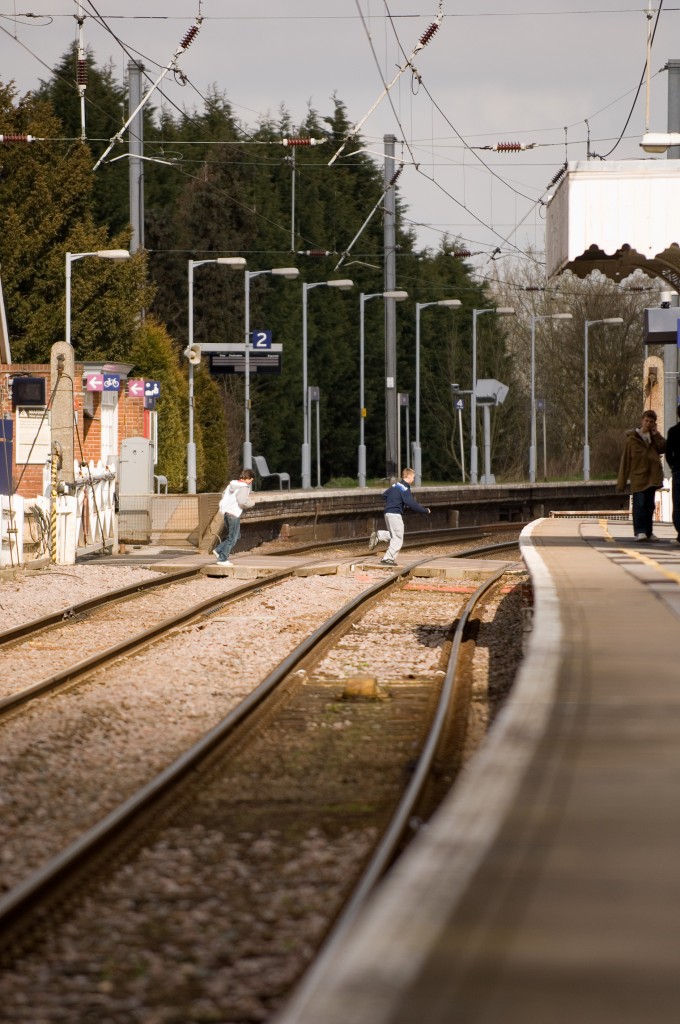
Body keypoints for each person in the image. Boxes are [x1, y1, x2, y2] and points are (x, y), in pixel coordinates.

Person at [616, 408, 666, 541]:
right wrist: (621, 483)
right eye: (647, 420)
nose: (648, 423)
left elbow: (663, 448)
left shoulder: (654, 437)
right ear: (642, 421)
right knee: (640, 504)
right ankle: (640, 531)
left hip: (652, 476)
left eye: (651, 421)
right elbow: (625, 461)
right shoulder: (631, 439)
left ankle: (649, 532)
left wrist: (656, 434)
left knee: (650, 505)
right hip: (639, 477)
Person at [368, 467, 431, 566]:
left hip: (387, 513)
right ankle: (388, 558)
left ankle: (379, 535)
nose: (413, 480)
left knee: (394, 535)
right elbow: (411, 503)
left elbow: (384, 495)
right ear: (409, 476)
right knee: (398, 538)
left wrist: (395, 501)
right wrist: (425, 510)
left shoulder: (396, 485)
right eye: (413, 477)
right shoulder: (405, 488)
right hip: (395, 514)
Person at [214, 469, 255, 565]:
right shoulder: (244, 487)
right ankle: (222, 559)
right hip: (234, 514)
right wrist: (252, 502)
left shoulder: (231, 485)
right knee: (232, 538)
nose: (251, 482)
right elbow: (242, 501)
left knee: (236, 536)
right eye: (251, 480)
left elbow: (224, 495)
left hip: (226, 513)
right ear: (248, 479)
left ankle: (219, 549)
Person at [665, 405, 680, 544]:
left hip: (678, 471)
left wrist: (673, 466)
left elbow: (668, 453)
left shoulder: (673, 431)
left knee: (678, 503)